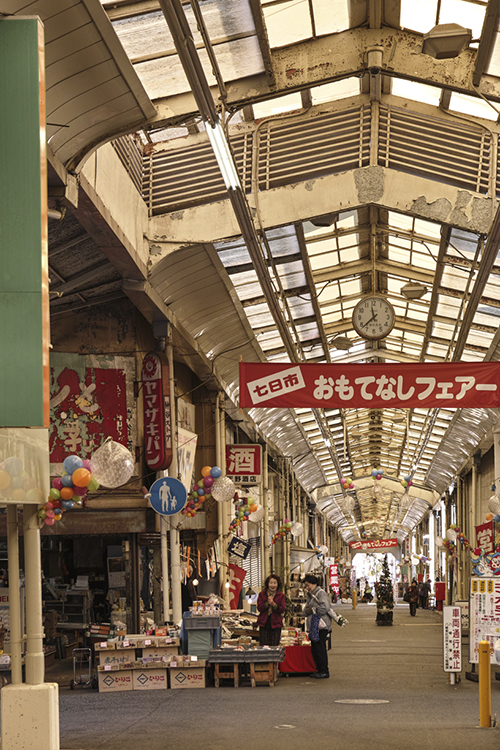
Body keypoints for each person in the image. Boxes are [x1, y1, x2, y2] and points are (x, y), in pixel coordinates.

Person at [302, 574, 332, 679]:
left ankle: (324, 671)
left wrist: (313, 610)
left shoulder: (321, 593)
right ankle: (319, 670)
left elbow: (325, 608)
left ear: (314, 584)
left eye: (308, 585)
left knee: (320, 648)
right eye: (306, 586)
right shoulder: (310, 595)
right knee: (315, 649)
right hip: (314, 627)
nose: (307, 587)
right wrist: (306, 611)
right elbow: (305, 611)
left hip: (321, 626)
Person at [256, 573, 286, 646]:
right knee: (264, 646)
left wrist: (273, 604)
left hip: (276, 624)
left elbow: (282, 609)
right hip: (264, 623)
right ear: (267, 584)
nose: (273, 585)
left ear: (278, 584)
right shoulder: (262, 594)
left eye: (275, 583)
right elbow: (259, 608)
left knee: (274, 646)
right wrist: (267, 604)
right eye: (271, 583)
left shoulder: (281, 595)